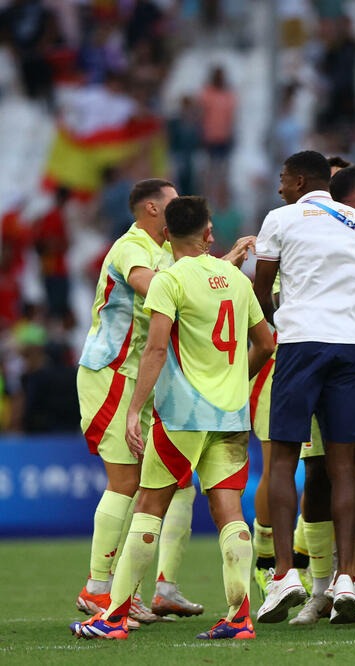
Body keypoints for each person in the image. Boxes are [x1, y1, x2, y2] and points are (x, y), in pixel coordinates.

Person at [71, 196, 275, 641]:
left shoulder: (171, 281)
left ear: (166, 235)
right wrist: (238, 382)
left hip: (183, 415)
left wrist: (132, 410)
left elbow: (157, 348)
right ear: (209, 232)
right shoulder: (236, 280)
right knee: (228, 511)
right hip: (232, 413)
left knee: (148, 506)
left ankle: (112, 616)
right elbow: (266, 341)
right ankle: (239, 618)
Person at [252, 151, 355, 624]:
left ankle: (283, 576)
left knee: (282, 459)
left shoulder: (280, 217)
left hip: (300, 346)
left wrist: (290, 310)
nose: (279, 187)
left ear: (299, 181)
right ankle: (344, 578)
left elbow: (262, 288)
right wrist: (349, 291)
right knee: (343, 468)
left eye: (282, 179)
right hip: (348, 350)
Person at [74, 179, 211, 624]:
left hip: (148, 380)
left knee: (176, 481)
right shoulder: (130, 246)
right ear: (151, 208)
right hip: (113, 375)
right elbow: (155, 289)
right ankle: (98, 589)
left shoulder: (168, 251)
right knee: (126, 480)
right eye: (173, 202)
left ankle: (162, 589)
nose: (180, 208)